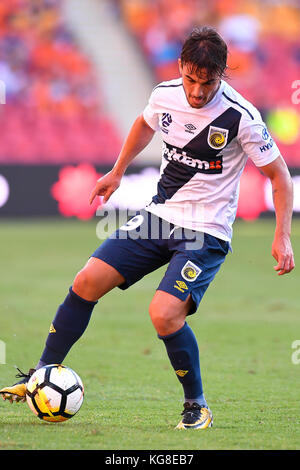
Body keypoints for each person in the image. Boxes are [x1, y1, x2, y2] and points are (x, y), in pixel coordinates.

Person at [1, 27, 295, 430]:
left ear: (221, 75)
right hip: (159, 216)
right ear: (181, 68)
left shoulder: (241, 117)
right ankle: (41, 373)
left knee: (163, 315)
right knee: (86, 281)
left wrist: (282, 235)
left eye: (207, 83)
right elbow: (144, 123)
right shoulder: (164, 94)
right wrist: (117, 172)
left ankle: (197, 405)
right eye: (191, 79)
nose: (196, 92)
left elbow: (279, 177)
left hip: (205, 231)